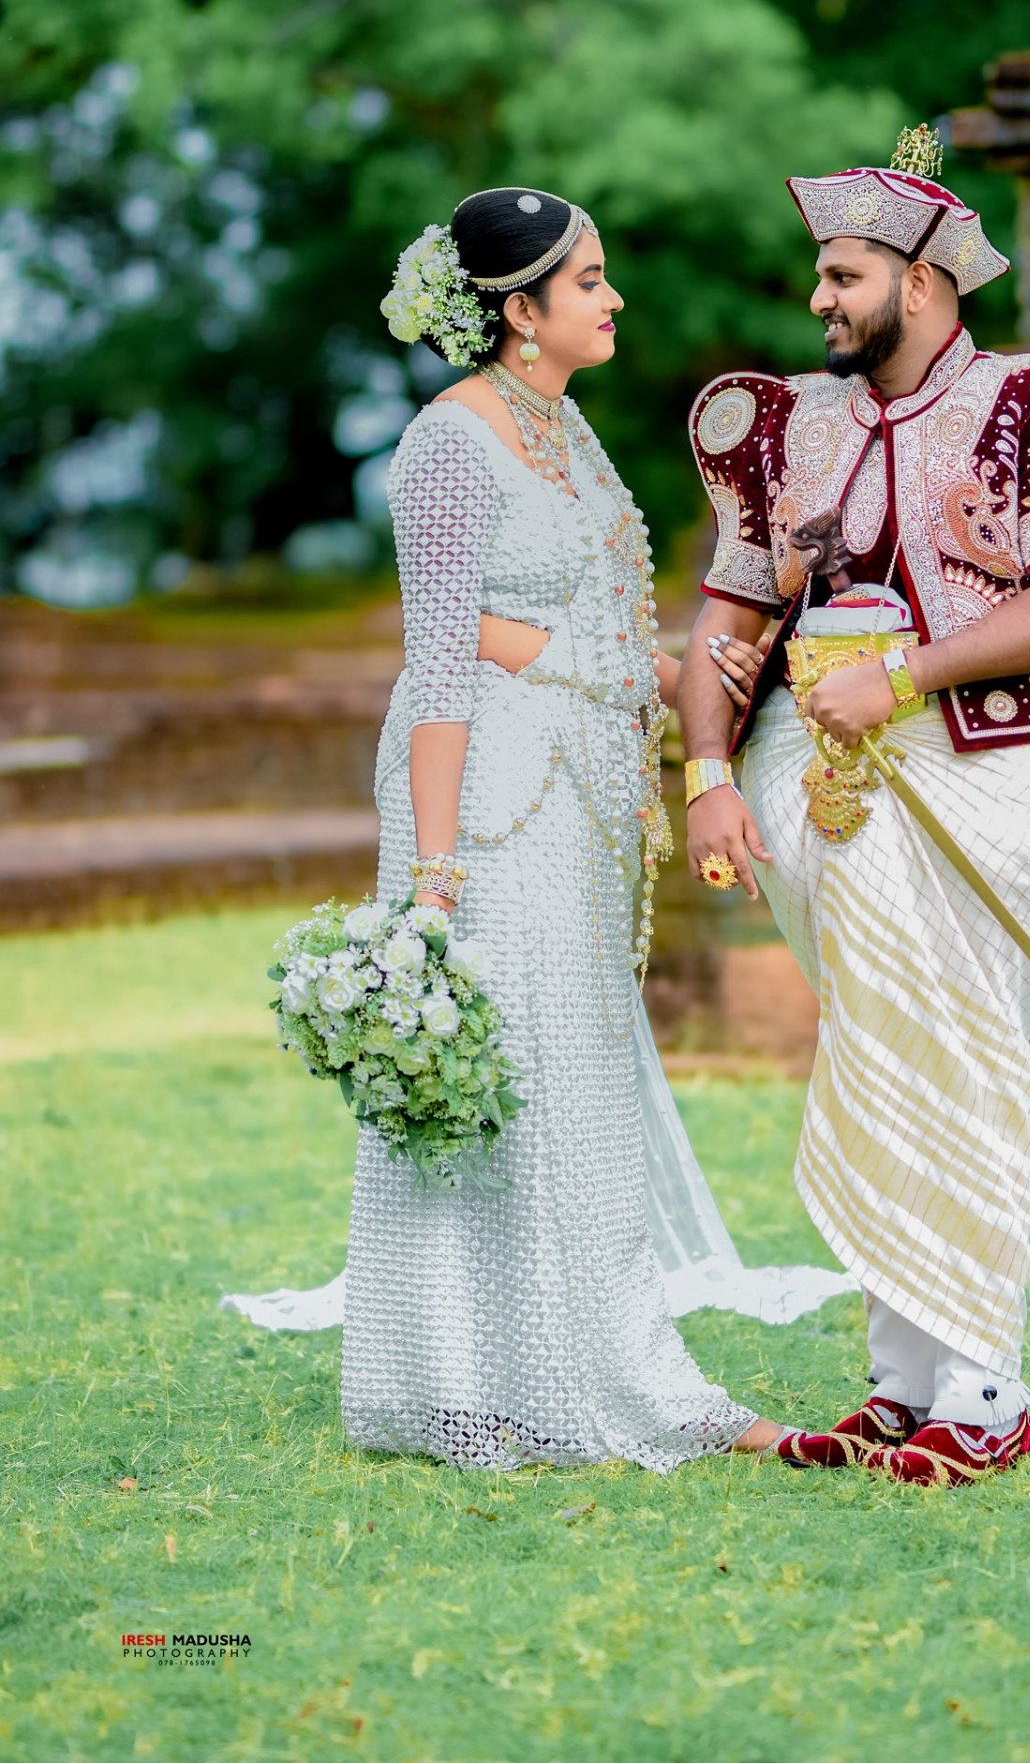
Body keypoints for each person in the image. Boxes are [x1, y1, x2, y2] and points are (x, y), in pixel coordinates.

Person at [237, 184, 845, 1473]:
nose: (614, 298)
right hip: (488, 805)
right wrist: (435, 879)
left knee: (570, 1087)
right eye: (589, 281)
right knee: (496, 1084)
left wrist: (727, 638)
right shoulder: (448, 443)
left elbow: (589, 618)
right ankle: (472, 1389)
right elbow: (444, 657)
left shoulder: (566, 432)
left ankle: (587, 1365)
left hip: (573, 799)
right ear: (521, 312)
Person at [678, 130, 1030, 1485]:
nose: (819, 299)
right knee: (880, 1044)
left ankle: (985, 1391)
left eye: (842, 275)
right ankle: (903, 1386)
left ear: (925, 283)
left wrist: (905, 677)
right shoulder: (783, 426)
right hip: (813, 778)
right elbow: (731, 618)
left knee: (958, 1045)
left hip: (1001, 765)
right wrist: (708, 773)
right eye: (817, 276)